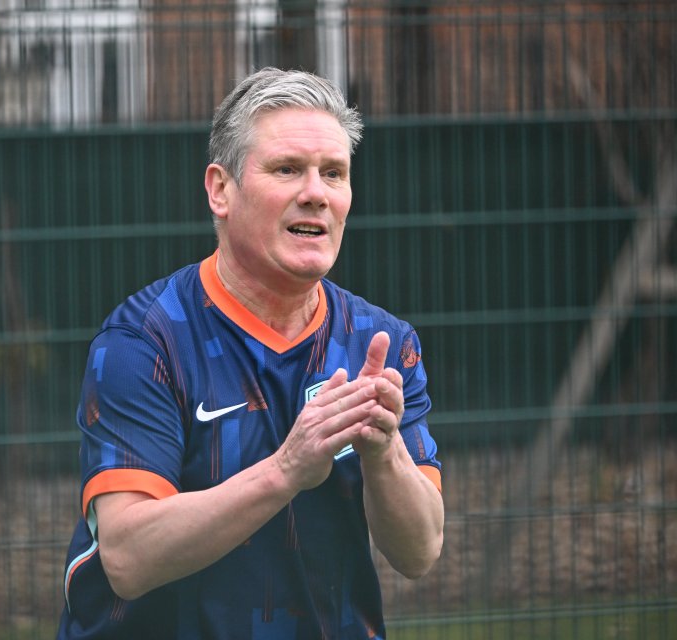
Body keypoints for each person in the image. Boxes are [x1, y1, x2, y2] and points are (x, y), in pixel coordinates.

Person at [56, 67, 444, 640]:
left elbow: (420, 551)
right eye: (287, 169)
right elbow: (129, 558)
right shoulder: (146, 342)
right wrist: (287, 471)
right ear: (220, 189)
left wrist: (384, 454)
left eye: (333, 173)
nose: (315, 192)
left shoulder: (382, 344)